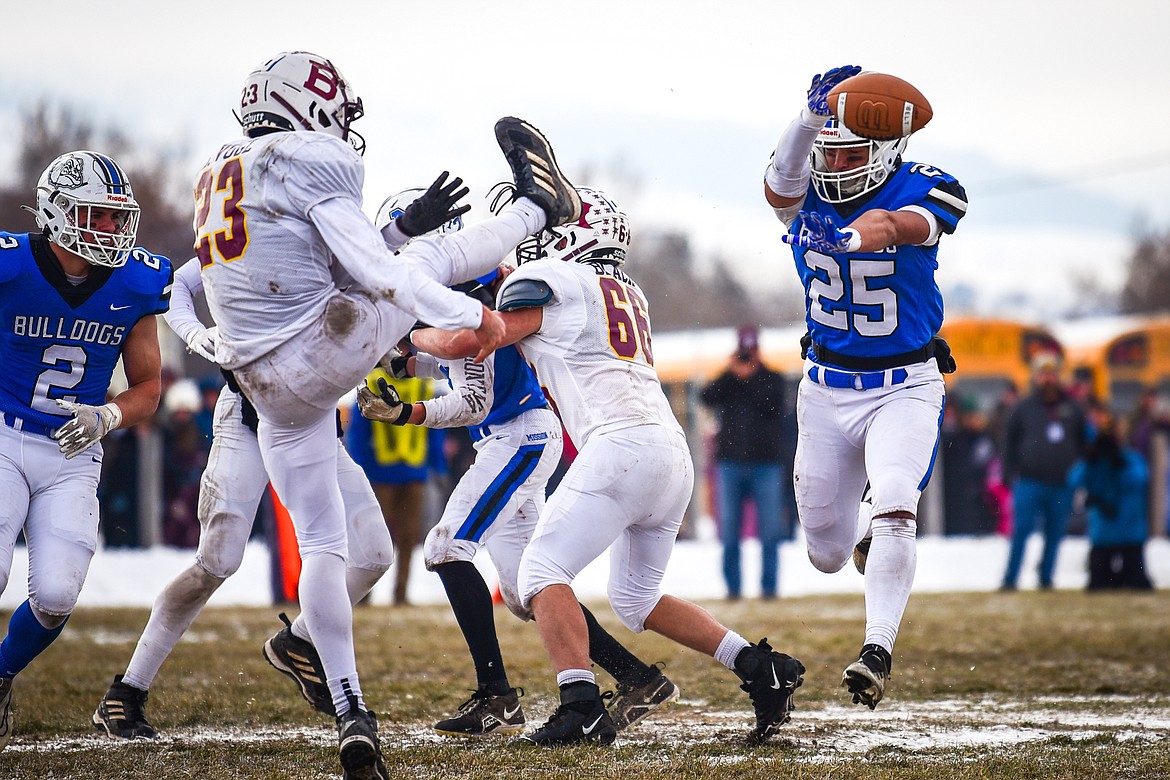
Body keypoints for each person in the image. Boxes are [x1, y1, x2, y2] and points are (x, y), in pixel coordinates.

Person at [193, 50, 580, 778]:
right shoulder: (311, 157)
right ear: (308, 107)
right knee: (429, 269)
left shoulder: (223, 168)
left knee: (331, 548)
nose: (341, 122)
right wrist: (474, 314)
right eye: (333, 108)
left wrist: (399, 227)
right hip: (315, 350)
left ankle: (349, 708)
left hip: (264, 384)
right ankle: (537, 205)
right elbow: (375, 273)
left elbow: (335, 257)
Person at [412, 184, 805, 747]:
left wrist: (410, 339)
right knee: (636, 600)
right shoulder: (629, 291)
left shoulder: (563, 281)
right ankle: (756, 666)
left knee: (541, 573)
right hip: (670, 454)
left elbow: (475, 341)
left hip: (620, 448)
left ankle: (580, 702)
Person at [360, 200, 680, 734]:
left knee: (446, 547)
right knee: (524, 592)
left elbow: (474, 400)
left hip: (520, 437)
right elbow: (462, 367)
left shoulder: (478, 296)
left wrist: (408, 409)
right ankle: (637, 676)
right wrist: (408, 358)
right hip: (514, 438)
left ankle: (496, 695)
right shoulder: (472, 293)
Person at [91, 252, 397, 740]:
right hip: (247, 414)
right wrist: (197, 336)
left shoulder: (325, 234)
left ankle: (298, 642)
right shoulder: (245, 229)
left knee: (375, 553)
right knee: (217, 560)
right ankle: (128, 690)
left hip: (310, 415)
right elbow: (175, 290)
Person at [762, 64, 968, 710]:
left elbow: (897, 227)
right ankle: (861, 541)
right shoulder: (807, 185)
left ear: (885, 151)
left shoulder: (927, 185)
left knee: (897, 503)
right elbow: (778, 185)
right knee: (824, 552)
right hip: (824, 390)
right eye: (828, 153)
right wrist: (807, 118)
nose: (835, 167)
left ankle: (876, 650)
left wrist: (846, 236)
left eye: (850, 154)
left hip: (904, 385)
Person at [0, 150, 171, 752]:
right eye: (96, 216)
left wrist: (108, 414)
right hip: (3, 435)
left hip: (75, 449)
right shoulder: (10, 264)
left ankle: (0, 675)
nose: (112, 229)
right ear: (58, 212)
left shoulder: (136, 280)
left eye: (117, 216)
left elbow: (149, 387)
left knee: (55, 596)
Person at [700, 324, 789, 599]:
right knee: (728, 532)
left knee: (771, 532)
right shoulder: (728, 381)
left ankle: (769, 589)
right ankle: (733, 589)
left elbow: (773, 403)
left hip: (766, 464)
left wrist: (751, 378)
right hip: (730, 464)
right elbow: (706, 397)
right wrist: (730, 374)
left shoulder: (773, 378)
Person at [346, 369, 444, 606]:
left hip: (409, 474)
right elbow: (358, 431)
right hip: (384, 475)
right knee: (375, 537)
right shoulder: (376, 383)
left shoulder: (422, 385)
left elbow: (434, 429)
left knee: (407, 536)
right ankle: (365, 593)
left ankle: (399, 593)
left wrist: (438, 466)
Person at [1000, 351, 1088, 591]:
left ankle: (1046, 578)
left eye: (1052, 374)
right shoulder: (1023, 408)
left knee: (1055, 532)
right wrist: (1009, 475)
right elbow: (1009, 443)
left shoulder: (1073, 408)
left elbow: (1083, 443)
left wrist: (1081, 477)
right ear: (1036, 377)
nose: (1048, 379)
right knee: (1022, 531)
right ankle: (1010, 579)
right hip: (1029, 481)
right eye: (1043, 374)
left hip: (1062, 483)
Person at [1073, 408, 1155, 591]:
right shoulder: (1095, 459)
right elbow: (1075, 479)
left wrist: (1120, 461)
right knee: (1099, 585)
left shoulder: (1131, 458)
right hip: (1104, 529)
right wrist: (1090, 459)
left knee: (1137, 583)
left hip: (1129, 530)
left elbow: (1139, 480)